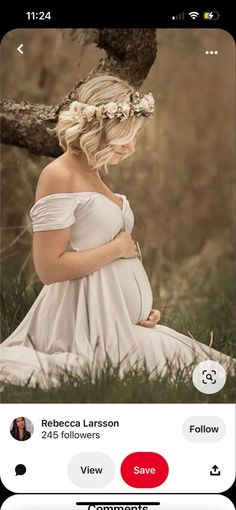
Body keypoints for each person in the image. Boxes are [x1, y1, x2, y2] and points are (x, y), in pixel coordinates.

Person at [0, 75, 234, 387]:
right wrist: (117, 249)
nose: (131, 147)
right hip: (84, 324)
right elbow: (49, 268)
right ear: (98, 129)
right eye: (124, 136)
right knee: (192, 369)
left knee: (208, 363)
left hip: (116, 318)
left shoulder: (94, 173)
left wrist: (132, 307)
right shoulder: (59, 175)